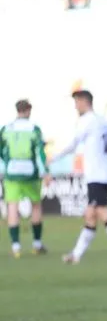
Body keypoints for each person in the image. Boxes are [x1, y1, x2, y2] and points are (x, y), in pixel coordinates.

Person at [48, 90, 107, 266]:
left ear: (84, 101)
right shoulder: (104, 122)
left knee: (102, 212)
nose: (75, 106)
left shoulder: (86, 121)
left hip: (96, 176)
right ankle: (76, 255)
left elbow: (73, 145)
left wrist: (53, 158)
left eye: (76, 102)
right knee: (90, 215)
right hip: (106, 176)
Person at [0, 99, 49, 258]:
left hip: (12, 172)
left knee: (12, 207)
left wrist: (7, 162)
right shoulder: (34, 129)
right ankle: (37, 244)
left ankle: (16, 247)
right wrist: (46, 172)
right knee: (36, 206)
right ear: (28, 110)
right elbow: (40, 152)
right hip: (30, 172)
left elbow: (1, 150)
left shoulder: (6, 129)